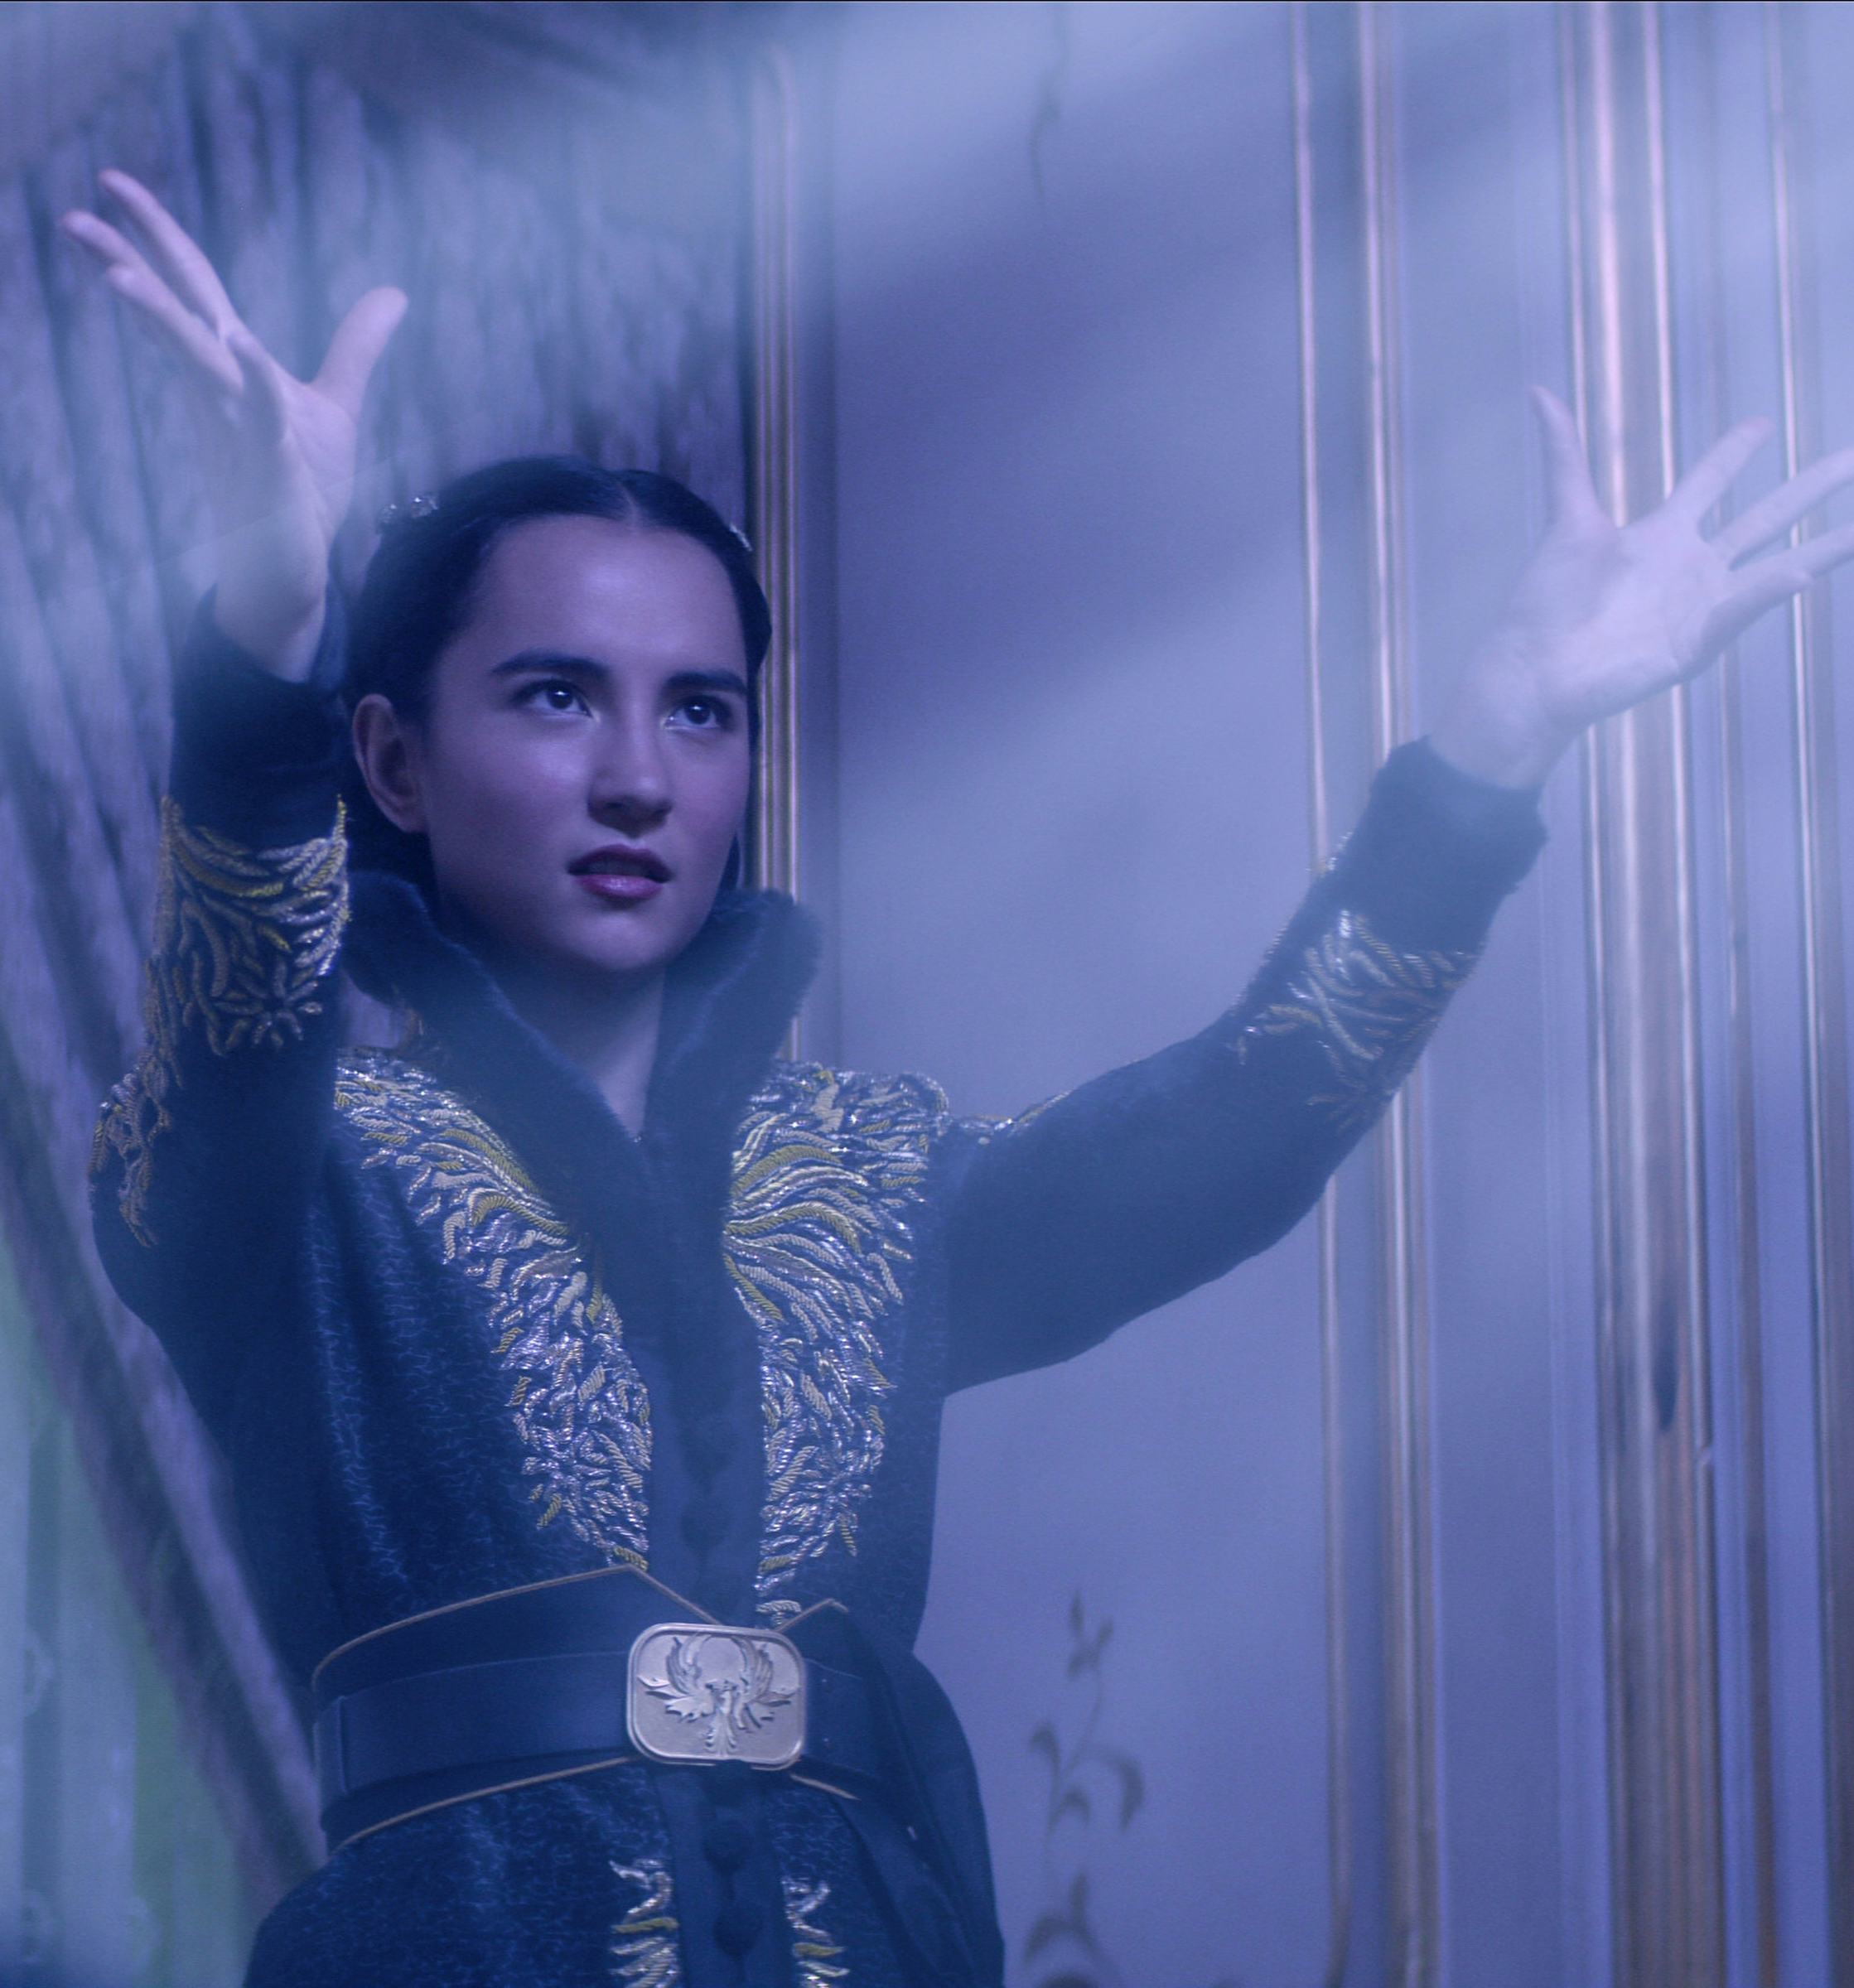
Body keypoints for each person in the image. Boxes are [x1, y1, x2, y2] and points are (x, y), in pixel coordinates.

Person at [63, 166, 1854, 1988]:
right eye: (553, 695)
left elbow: (1238, 1125)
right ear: (390, 758)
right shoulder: (289, 1170)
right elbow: (240, 1008)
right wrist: (264, 637)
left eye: (700, 709)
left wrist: (1492, 750)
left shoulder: (869, 1169)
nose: (638, 776)